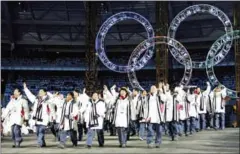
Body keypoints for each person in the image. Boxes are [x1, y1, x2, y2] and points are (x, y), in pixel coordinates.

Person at [23, 82, 52, 148]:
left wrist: (49, 95)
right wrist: (25, 88)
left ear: (45, 93)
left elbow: (52, 101)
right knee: (38, 132)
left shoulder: (48, 100)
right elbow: (30, 95)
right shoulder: (36, 99)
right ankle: (43, 143)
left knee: (41, 131)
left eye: (41, 92)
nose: (39, 93)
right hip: (36, 119)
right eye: (39, 92)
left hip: (44, 119)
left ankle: (39, 143)